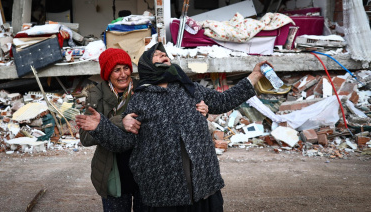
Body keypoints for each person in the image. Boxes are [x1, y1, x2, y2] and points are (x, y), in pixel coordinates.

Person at [77, 42, 268, 211]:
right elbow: (125, 142)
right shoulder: (141, 99)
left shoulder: (191, 89)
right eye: (157, 54)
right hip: (165, 193)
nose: (164, 56)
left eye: (165, 55)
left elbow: (225, 100)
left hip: (202, 186)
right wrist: (102, 127)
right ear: (147, 65)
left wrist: (255, 75)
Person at [77, 47, 209, 212]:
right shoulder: (96, 96)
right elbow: (85, 137)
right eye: (116, 70)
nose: (123, 74)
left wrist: (201, 109)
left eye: (126, 68)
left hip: (147, 169)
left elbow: (173, 112)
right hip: (114, 170)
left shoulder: (145, 88)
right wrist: (119, 121)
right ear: (107, 73)